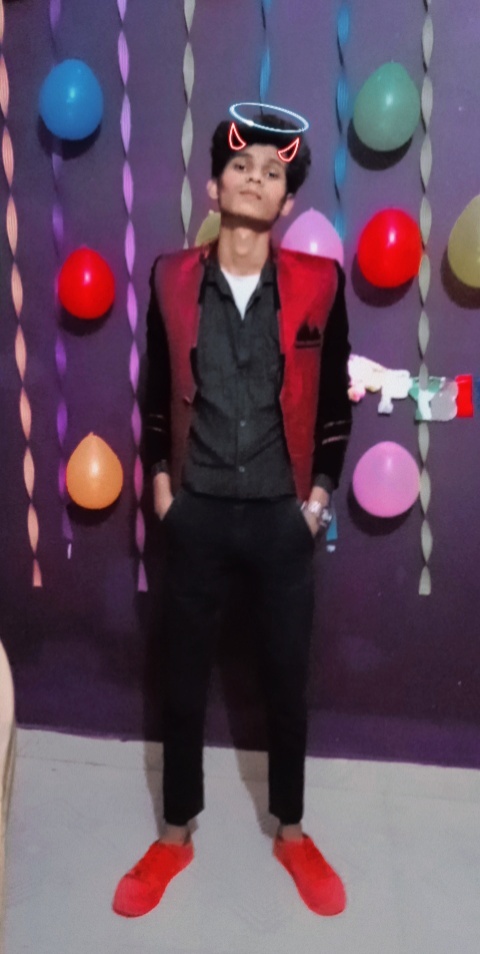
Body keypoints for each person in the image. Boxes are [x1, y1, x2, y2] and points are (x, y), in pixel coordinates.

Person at [113, 108, 352, 919]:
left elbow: (333, 408)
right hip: (199, 511)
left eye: (272, 172)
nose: (255, 179)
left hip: (283, 517)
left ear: (288, 200)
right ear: (215, 186)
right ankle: (175, 834)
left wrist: (317, 498)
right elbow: (154, 396)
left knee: (286, 680)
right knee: (181, 681)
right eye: (241, 167)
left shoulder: (321, 284)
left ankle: (291, 830)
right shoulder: (170, 278)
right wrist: (160, 485)